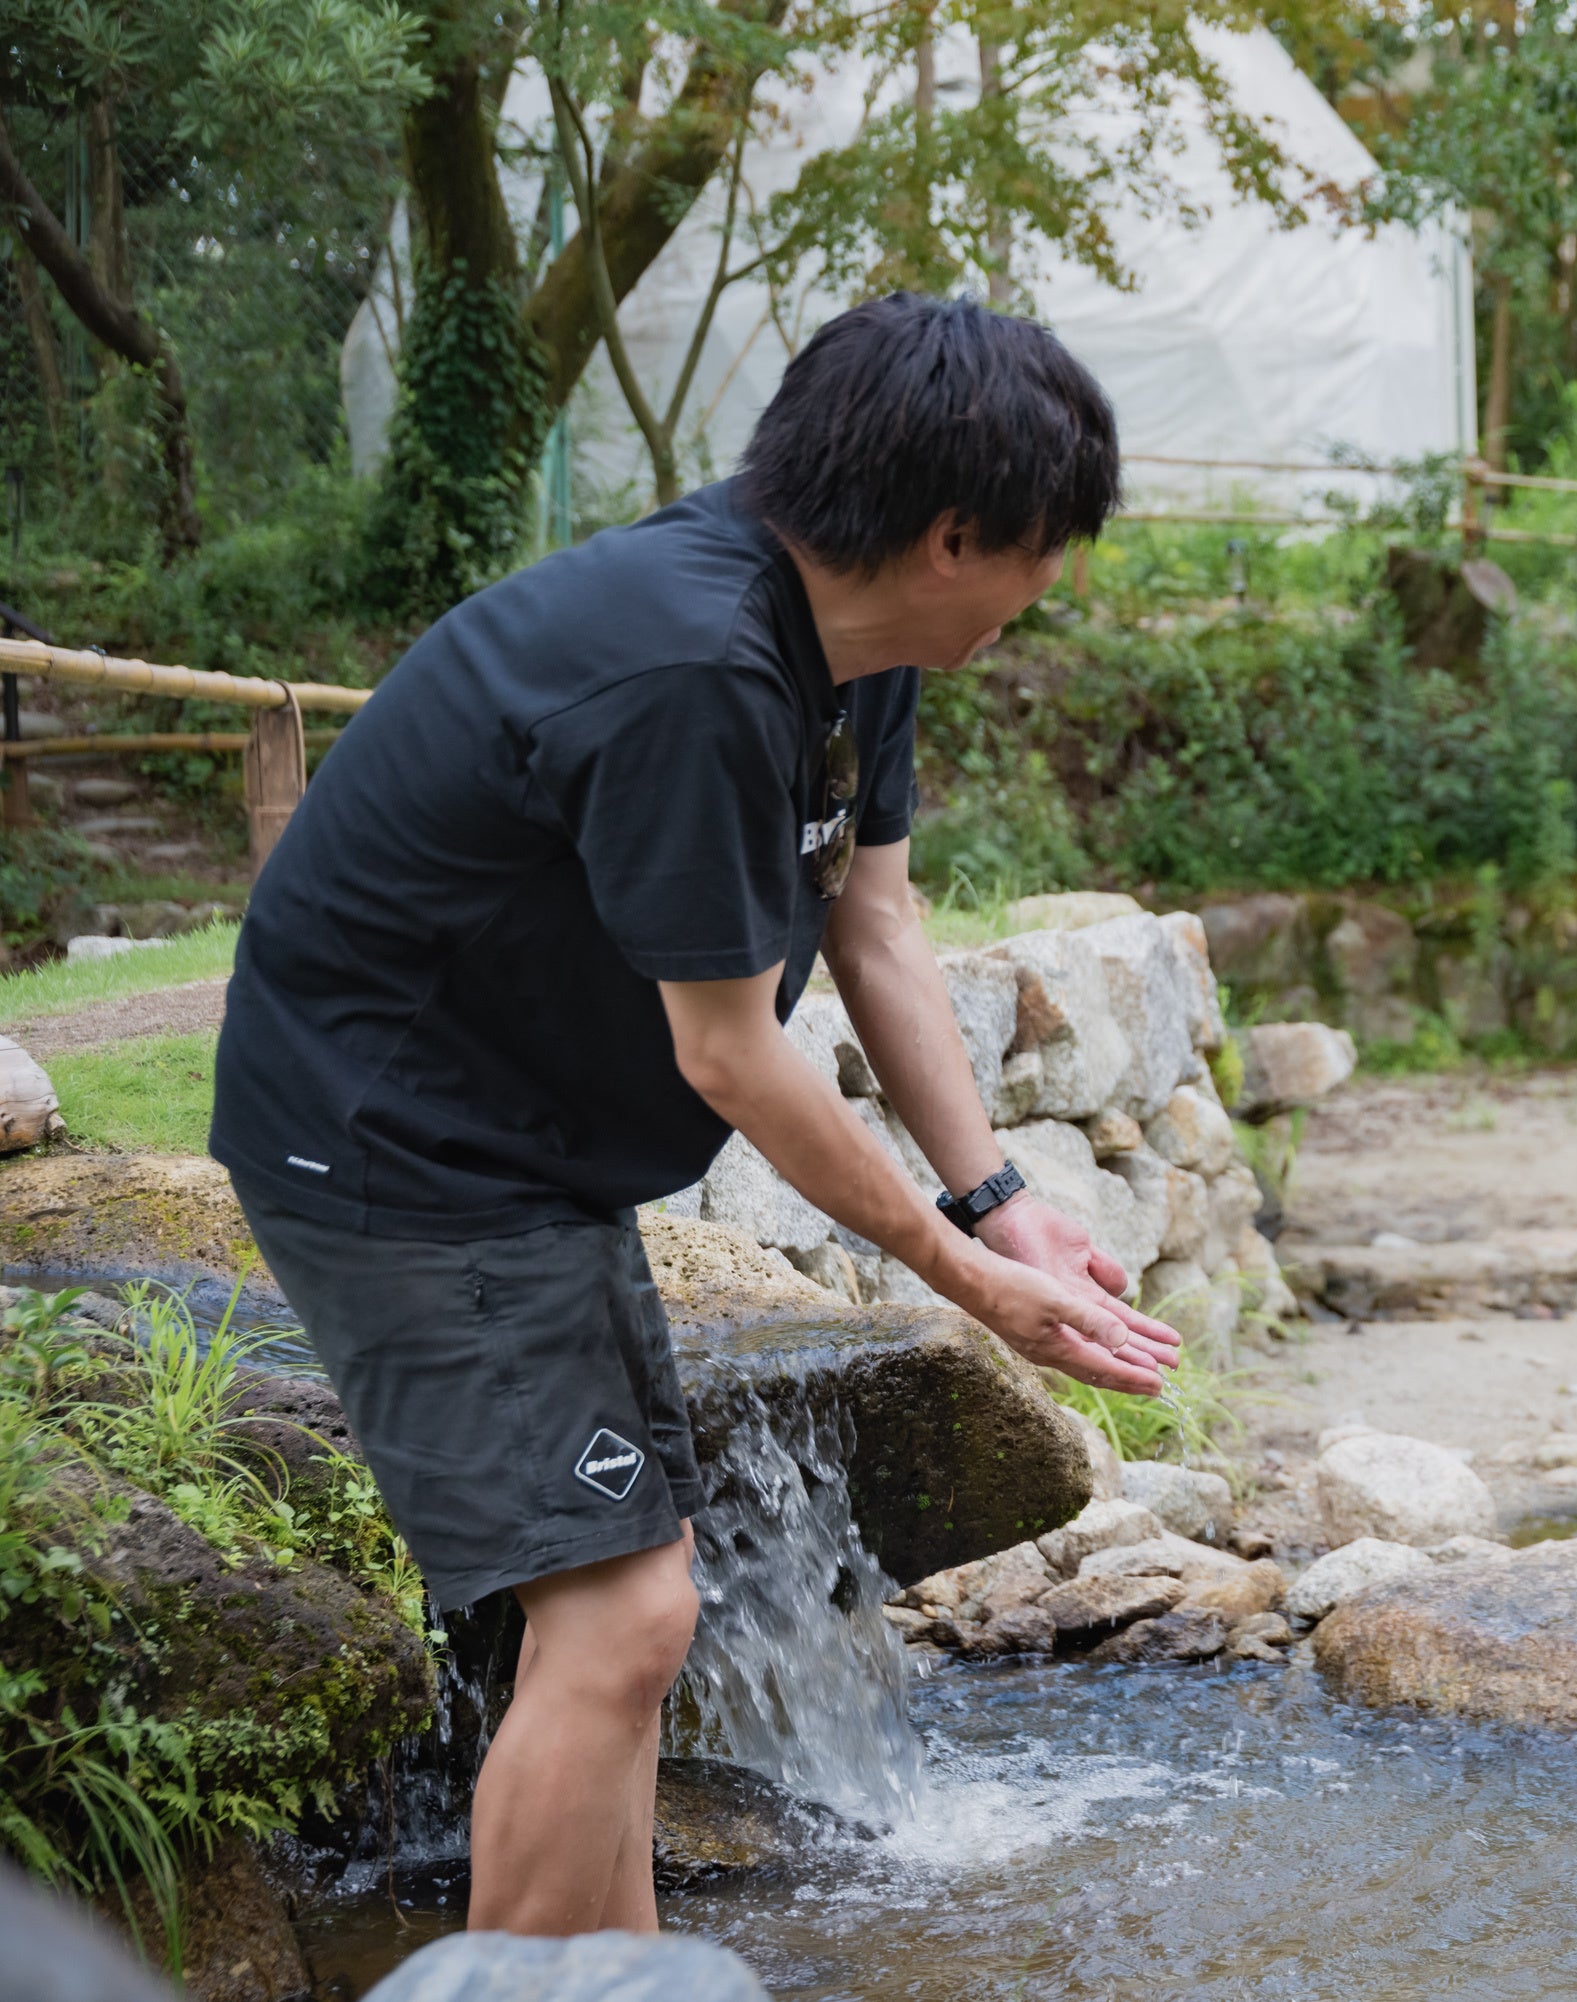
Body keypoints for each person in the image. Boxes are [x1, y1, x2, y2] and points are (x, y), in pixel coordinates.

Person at [208, 295, 1184, 1936]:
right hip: (394, 1142)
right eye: (1045, 554)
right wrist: (966, 1286)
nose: (1048, 590)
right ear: (953, 537)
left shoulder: (856, 642)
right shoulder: (692, 666)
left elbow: (872, 921)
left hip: (529, 1147)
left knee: (628, 1625)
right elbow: (732, 1058)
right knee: (621, 1619)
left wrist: (999, 1195)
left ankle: (626, 1978)